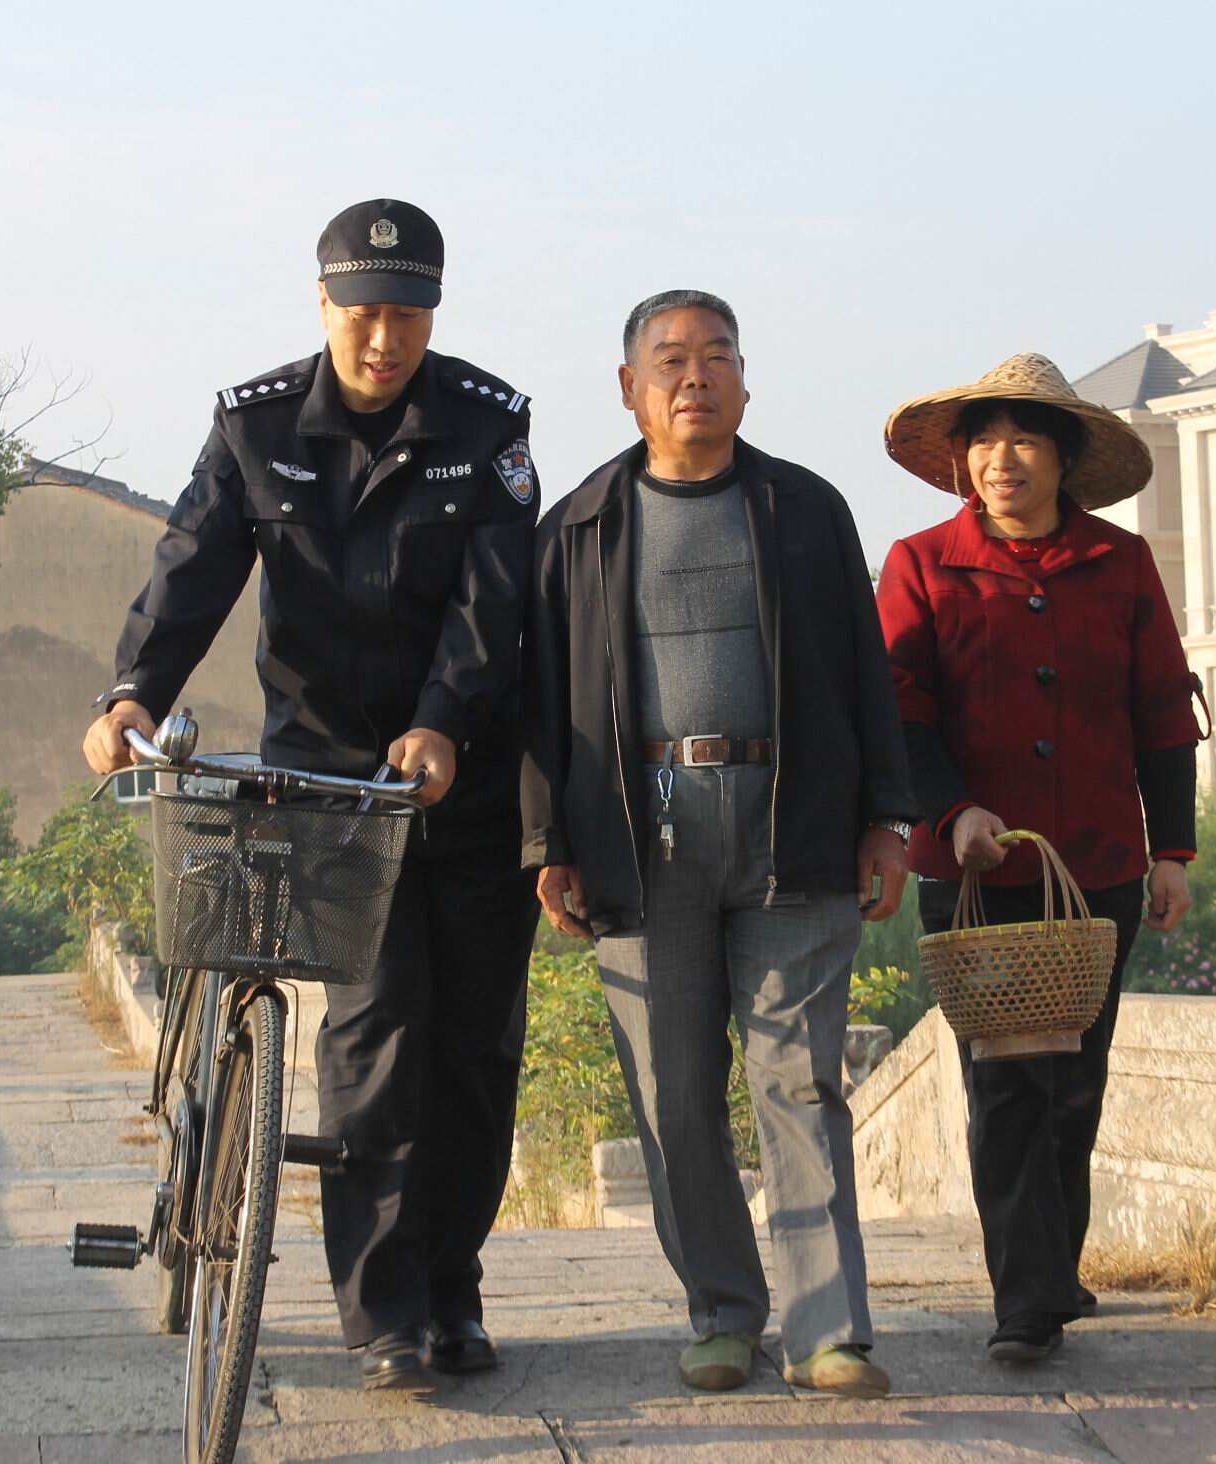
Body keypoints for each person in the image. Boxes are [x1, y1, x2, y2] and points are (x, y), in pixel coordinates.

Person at [83, 200, 539, 1392]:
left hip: (469, 779)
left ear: (434, 314)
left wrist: (442, 721)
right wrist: (133, 693)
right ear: (324, 303)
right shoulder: (255, 426)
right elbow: (191, 568)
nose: (385, 340)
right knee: (378, 1040)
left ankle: (456, 1287)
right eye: (364, 313)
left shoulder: (490, 426)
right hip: (331, 786)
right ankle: (385, 1311)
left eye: (408, 315)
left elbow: (495, 606)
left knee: (477, 1053)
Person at [522, 290, 916, 1398]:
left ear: (747, 381)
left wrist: (889, 818)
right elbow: (544, 703)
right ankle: (723, 1312)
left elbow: (864, 671)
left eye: (718, 357)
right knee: (675, 1094)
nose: (696, 377)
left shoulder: (806, 511)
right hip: (640, 834)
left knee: (798, 1081)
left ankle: (827, 1330)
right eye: (672, 360)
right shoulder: (582, 527)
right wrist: (549, 839)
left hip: (793, 822)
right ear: (629, 387)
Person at [875, 352, 1206, 1363]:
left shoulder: (1120, 564)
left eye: (1023, 439)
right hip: (976, 875)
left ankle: (1055, 1265)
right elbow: (900, 709)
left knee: (1076, 1081)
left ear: (1064, 458)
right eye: (982, 439)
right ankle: (1025, 1302)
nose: (999, 458)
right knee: (1005, 1084)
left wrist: (1174, 849)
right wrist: (953, 808)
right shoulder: (922, 563)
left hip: (1100, 861)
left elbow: (1161, 710)